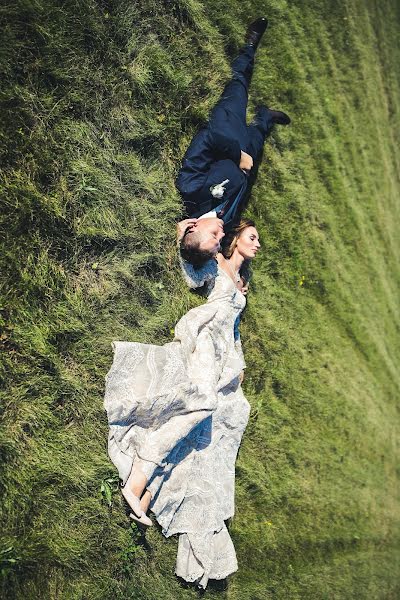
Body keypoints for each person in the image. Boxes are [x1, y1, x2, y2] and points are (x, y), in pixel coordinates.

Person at [104, 220, 260, 587]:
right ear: (236, 239)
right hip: (206, 335)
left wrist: (238, 361)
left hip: (226, 353)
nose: (257, 245)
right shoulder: (217, 265)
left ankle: (146, 495)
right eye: (252, 238)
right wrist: (185, 231)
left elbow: (235, 329)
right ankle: (139, 474)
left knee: (223, 421)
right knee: (202, 404)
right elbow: (190, 268)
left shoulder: (241, 283)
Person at [176, 17, 290, 267]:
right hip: (248, 163)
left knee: (238, 85)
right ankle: (265, 117)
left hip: (228, 134)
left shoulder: (191, 190)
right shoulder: (225, 223)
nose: (222, 235)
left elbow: (206, 138)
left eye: (214, 236)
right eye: (219, 241)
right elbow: (201, 272)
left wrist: (238, 156)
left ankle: (249, 46)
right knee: (258, 135)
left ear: (193, 225)